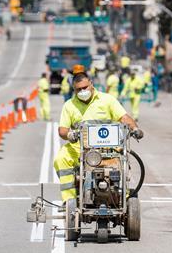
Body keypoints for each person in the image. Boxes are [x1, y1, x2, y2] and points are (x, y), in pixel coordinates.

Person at [52, 71, 142, 204]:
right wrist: (70, 134)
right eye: (79, 89)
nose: (82, 91)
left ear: (91, 84)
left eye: (85, 87)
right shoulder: (69, 105)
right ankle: (69, 200)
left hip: (107, 147)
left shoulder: (107, 100)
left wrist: (135, 129)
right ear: (74, 90)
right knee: (61, 159)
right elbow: (63, 130)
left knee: (121, 162)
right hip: (80, 148)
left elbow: (124, 117)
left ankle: (123, 196)